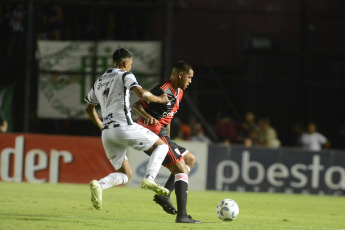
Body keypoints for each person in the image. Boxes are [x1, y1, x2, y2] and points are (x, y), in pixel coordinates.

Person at [84, 48, 170, 210]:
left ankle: (100, 185)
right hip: (124, 126)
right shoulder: (125, 75)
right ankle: (150, 178)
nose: (130, 67)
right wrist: (159, 99)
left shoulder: (99, 81)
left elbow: (89, 109)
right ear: (125, 63)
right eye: (130, 64)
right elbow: (142, 94)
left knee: (125, 174)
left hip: (107, 134)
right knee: (162, 146)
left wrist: (102, 127)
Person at [132, 61, 201, 223]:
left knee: (190, 159)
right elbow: (136, 105)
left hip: (162, 134)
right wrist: (144, 116)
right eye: (189, 78)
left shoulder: (179, 92)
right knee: (181, 170)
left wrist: (168, 138)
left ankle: (165, 196)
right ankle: (182, 216)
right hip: (151, 135)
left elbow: (167, 117)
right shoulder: (161, 90)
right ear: (180, 75)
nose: (191, 81)